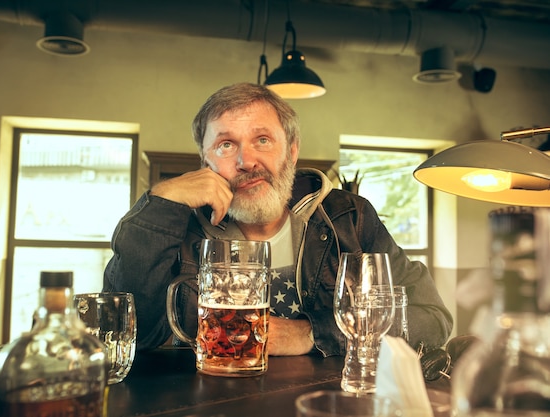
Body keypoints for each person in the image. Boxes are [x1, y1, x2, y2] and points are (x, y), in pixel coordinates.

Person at [103, 82, 453, 357]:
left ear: (292, 149)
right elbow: (125, 335)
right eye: (226, 145)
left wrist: (311, 333)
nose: (246, 161)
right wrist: (161, 203)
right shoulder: (177, 228)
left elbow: (431, 318)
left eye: (263, 139)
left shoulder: (349, 218)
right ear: (204, 160)